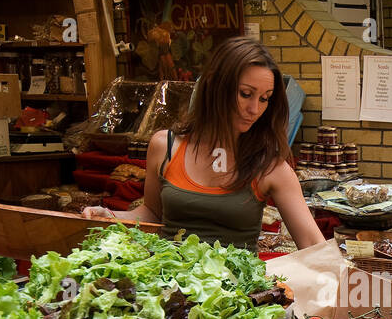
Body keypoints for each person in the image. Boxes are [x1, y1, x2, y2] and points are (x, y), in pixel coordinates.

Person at [83, 36, 325, 251]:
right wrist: (111, 216)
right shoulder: (164, 146)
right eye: (245, 94)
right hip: (170, 288)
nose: (255, 109)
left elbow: (314, 245)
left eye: (265, 99)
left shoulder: (270, 166)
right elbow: (153, 214)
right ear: (215, 88)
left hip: (234, 296)